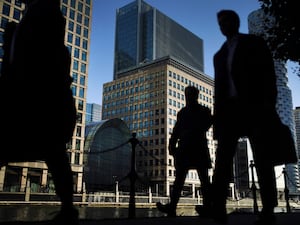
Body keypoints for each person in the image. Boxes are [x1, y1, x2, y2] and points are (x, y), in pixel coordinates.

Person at [0, 0, 78, 224]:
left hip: (39, 108)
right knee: (54, 153)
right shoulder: (54, 43)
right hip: (47, 109)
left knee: (52, 151)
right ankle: (68, 209)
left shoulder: (38, 31)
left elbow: (16, 71)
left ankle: (68, 208)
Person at [212, 9, 283, 224]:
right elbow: (219, 92)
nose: (223, 26)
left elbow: (268, 75)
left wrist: (269, 105)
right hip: (230, 112)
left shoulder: (254, 43)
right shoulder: (219, 55)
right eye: (220, 23)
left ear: (236, 22)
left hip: (254, 107)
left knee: (263, 158)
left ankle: (268, 209)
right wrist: (218, 121)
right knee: (223, 159)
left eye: (227, 21)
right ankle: (217, 208)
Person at [156, 86, 213, 217]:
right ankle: (172, 207)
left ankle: (208, 206)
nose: (188, 97)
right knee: (179, 179)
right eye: (187, 95)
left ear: (195, 95)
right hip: (186, 148)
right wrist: (171, 145)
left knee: (203, 179)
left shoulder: (204, 110)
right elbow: (176, 130)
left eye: (190, 94)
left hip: (197, 147)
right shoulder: (182, 112)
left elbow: (206, 125)